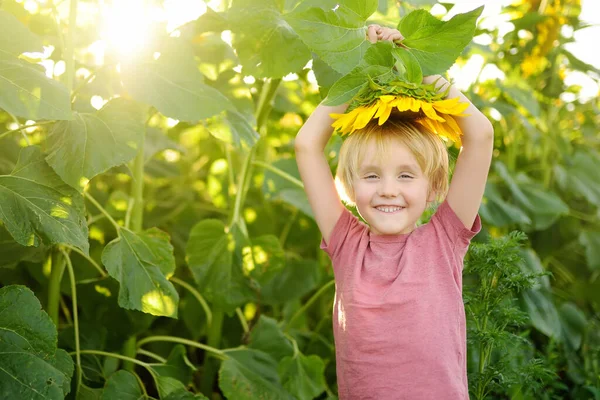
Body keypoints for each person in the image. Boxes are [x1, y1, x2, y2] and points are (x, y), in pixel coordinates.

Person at [294, 24, 494, 399]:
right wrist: (364, 65)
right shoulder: (346, 243)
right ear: (350, 188)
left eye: (405, 175)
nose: (388, 189)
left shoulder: (444, 240)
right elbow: (307, 144)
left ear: (434, 186)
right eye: (372, 175)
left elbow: (480, 136)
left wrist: (413, 57)